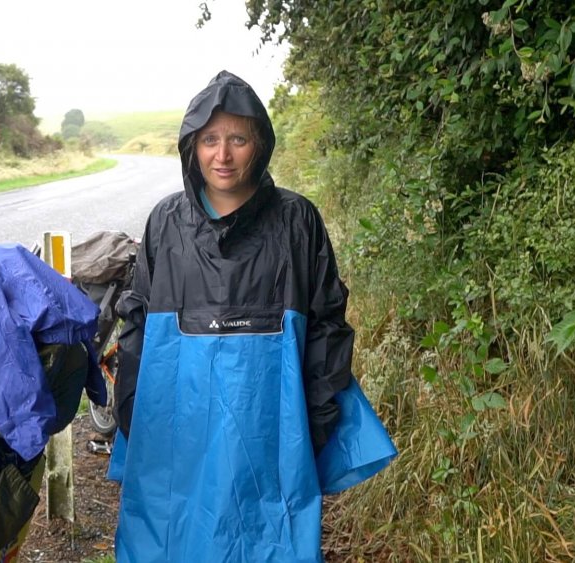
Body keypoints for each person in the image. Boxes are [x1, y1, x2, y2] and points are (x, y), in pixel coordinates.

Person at [108, 70, 396, 563]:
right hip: (178, 429)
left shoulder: (296, 220)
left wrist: (318, 419)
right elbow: (137, 323)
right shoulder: (165, 222)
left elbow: (327, 322)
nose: (223, 156)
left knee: (268, 540)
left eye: (237, 139)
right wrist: (132, 409)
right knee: (172, 538)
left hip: (273, 431)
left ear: (259, 143)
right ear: (192, 147)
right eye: (210, 140)